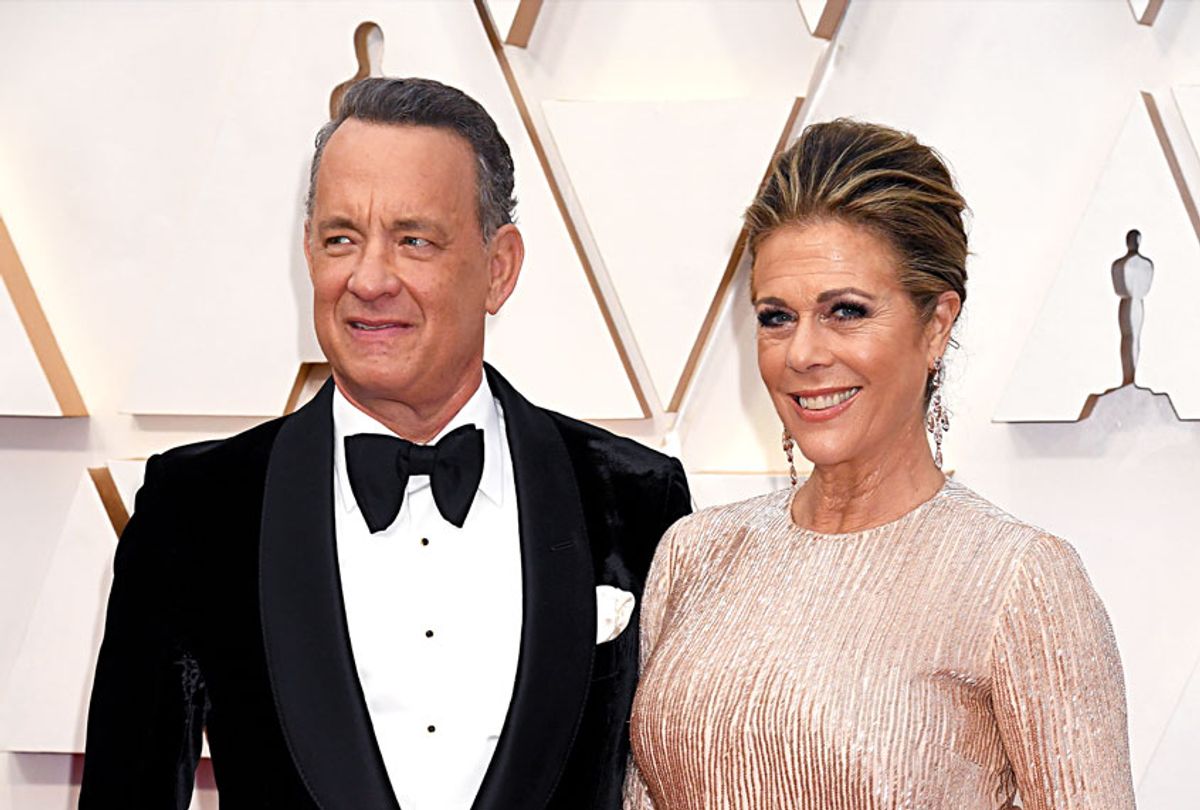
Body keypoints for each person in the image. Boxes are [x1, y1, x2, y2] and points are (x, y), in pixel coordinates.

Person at [80, 77, 691, 810]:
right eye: (342, 238)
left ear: (499, 268)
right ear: (308, 254)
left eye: (414, 240)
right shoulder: (197, 507)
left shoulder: (636, 498)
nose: (369, 279)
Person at [623, 119, 1135, 809]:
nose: (802, 352)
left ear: (935, 325)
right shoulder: (697, 553)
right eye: (776, 316)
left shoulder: (1018, 581)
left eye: (846, 311)